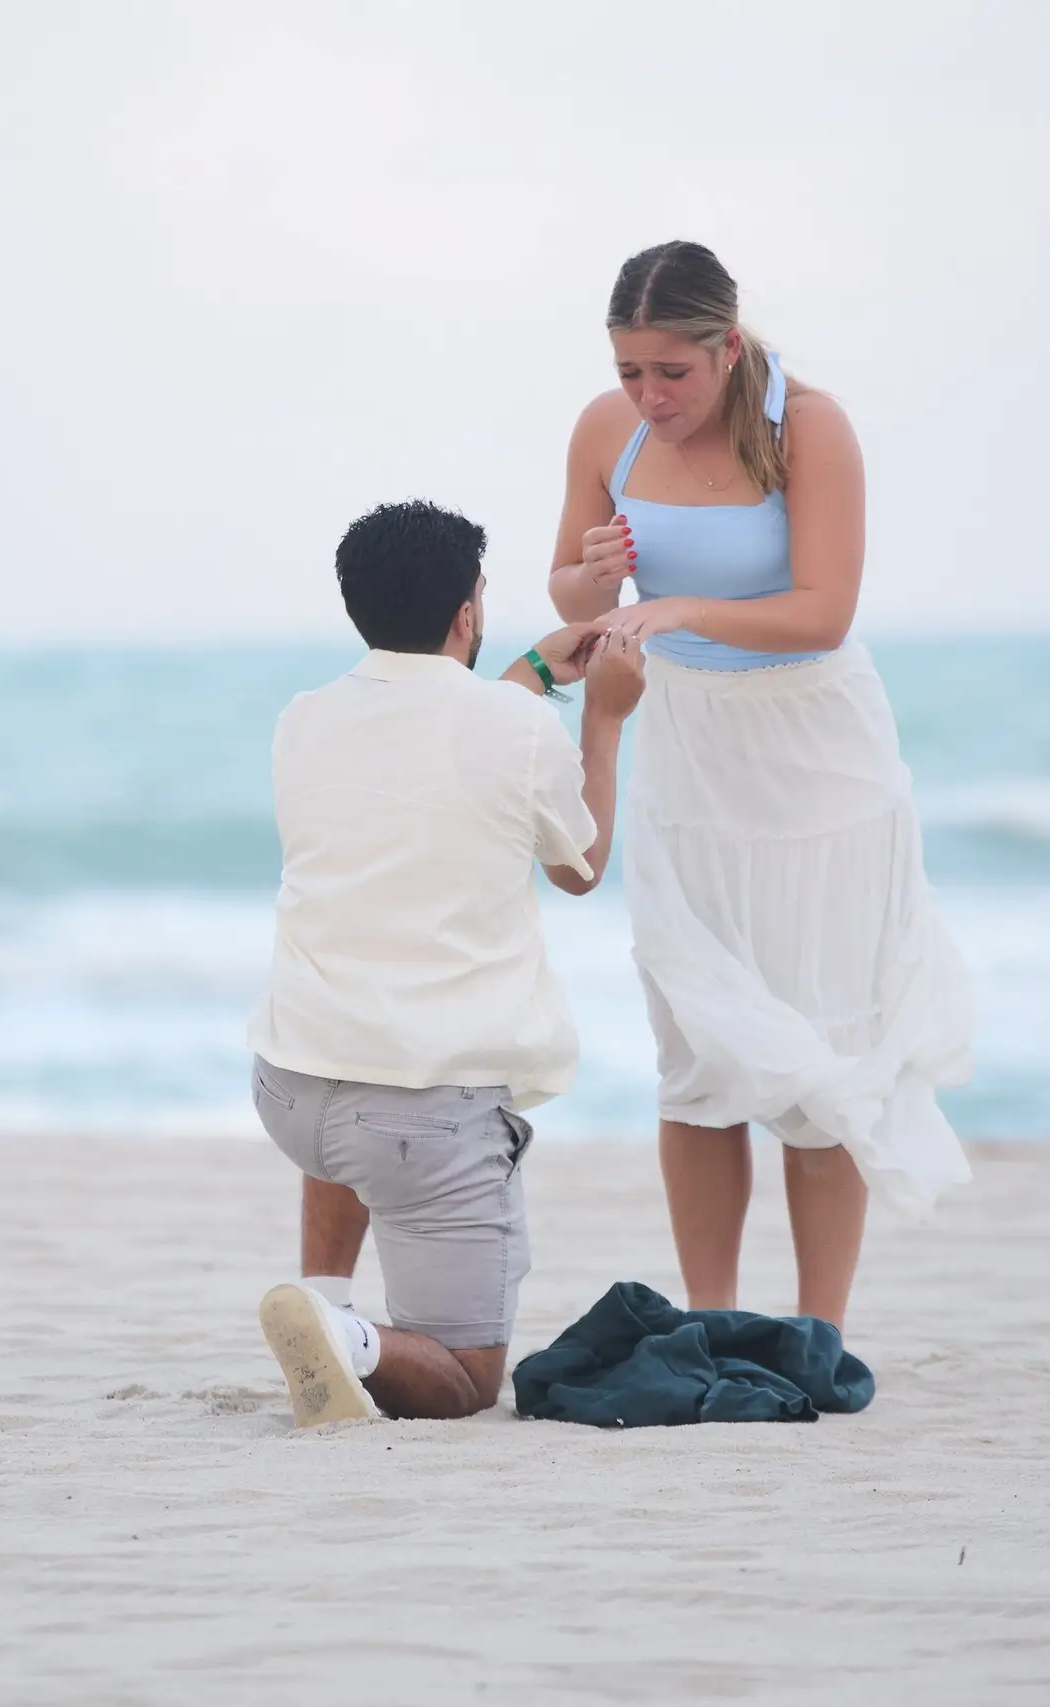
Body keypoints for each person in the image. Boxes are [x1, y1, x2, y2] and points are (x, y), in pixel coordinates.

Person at [547, 239, 973, 1328]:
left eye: (671, 373)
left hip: (814, 751)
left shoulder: (807, 426)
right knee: (695, 1049)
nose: (648, 395)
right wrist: (593, 578)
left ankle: (817, 1331)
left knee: (823, 1050)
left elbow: (825, 609)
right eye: (628, 371)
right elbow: (565, 585)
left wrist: (682, 607)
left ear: (727, 349)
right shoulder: (608, 432)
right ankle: (715, 1320)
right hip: (686, 744)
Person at [248, 499, 646, 1426]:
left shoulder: (302, 719)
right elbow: (578, 865)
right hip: (420, 1116)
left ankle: (328, 1296)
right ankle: (343, 1337)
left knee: (353, 1037)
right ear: (467, 612)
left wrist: (541, 669)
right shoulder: (515, 729)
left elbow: (442, 735)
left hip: (291, 1091)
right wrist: (608, 719)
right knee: (469, 1381)